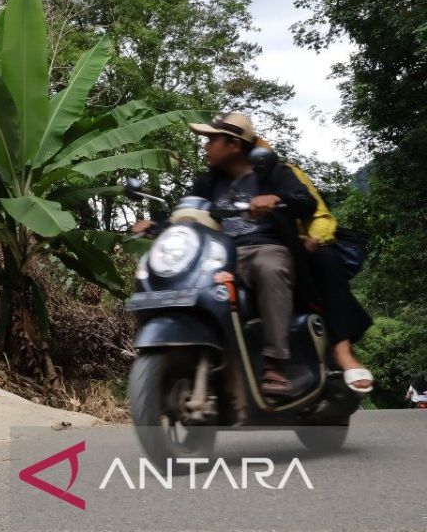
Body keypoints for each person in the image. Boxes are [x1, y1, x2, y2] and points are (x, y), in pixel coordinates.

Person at [134, 112, 316, 397]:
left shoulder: (272, 173)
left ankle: (275, 363)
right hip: (217, 252)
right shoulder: (207, 183)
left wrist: (276, 199)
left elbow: (307, 204)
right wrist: (157, 226)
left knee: (270, 267)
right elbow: (188, 217)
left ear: (233, 144)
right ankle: (195, 354)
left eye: (212, 140)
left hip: (263, 247)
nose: (205, 146)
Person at [280, 154, 374, 394]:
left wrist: (314, 240)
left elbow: (320, 215)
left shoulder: (282, 171)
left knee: (325, 258)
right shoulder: (214, 180)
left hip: (297, 251)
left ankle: (341, 349)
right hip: (244, 251)